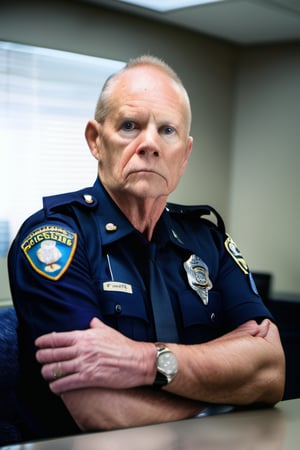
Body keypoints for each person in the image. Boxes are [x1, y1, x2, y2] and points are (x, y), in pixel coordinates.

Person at [8, 54, 285, 442]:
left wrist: (144, 361)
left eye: (167, 130)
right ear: (95, 140)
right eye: (129, 126)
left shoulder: (207, 241)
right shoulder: (53, 239)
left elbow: (270, 371)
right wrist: (222, 399)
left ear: (185, 154)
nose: (149, 144)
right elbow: (100, 409)